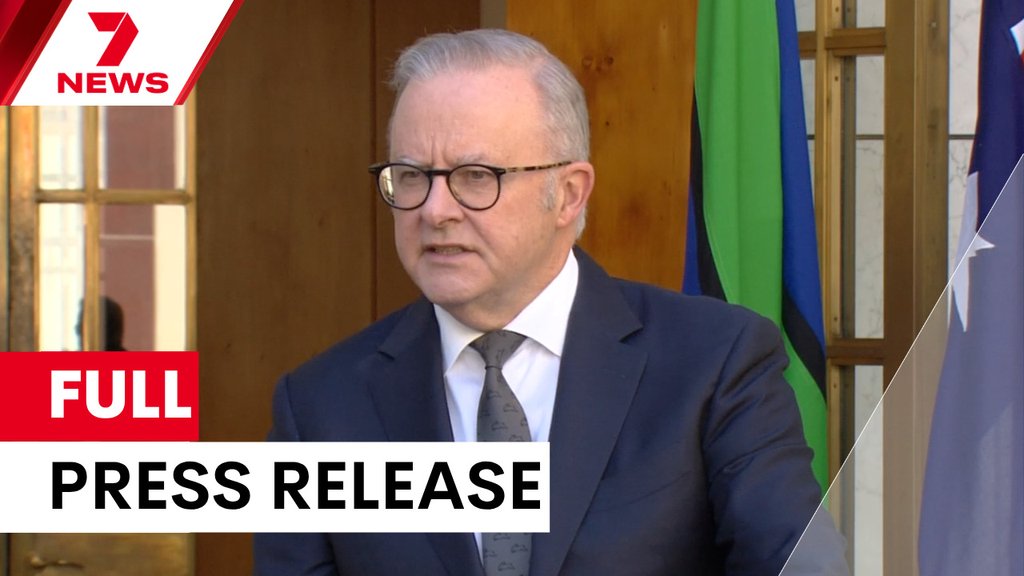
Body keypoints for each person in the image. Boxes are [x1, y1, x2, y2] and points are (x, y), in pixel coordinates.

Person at [254, 28, 842, 576]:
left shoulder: (714, 361)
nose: (434, 210)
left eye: (475, 175)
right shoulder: (321, 407)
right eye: (411, 176)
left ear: (568, 193)